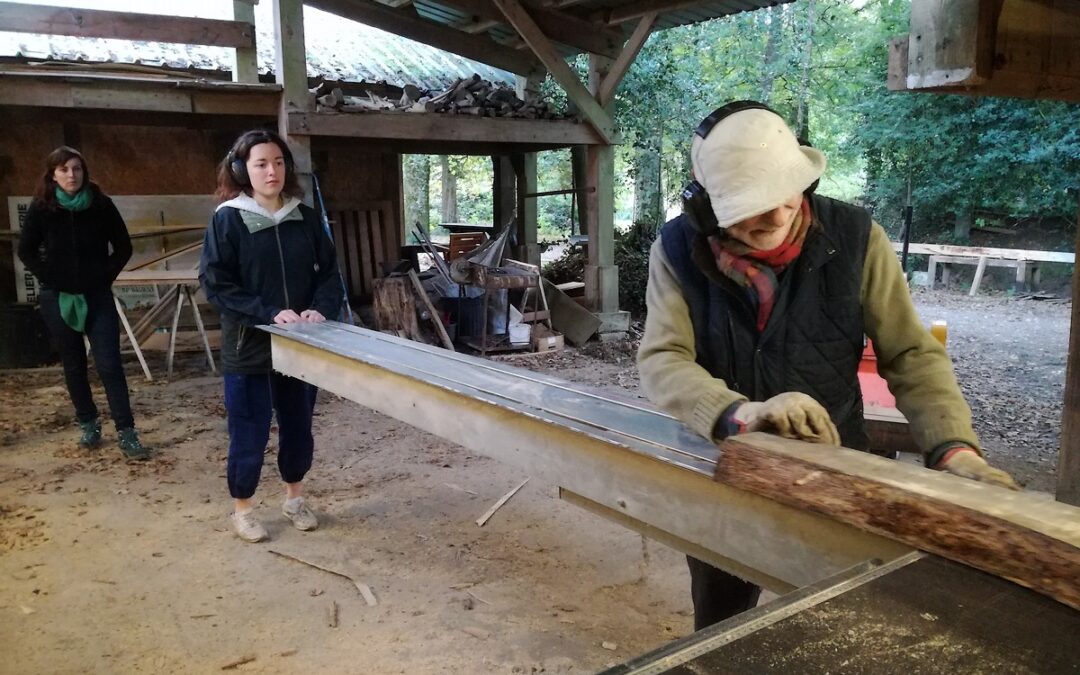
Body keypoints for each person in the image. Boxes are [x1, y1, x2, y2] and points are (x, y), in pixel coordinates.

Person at [637, 101, 1019, 630]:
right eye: (750, 206)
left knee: (846, 622)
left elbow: (912, 354)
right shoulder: (678, 250)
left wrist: (953, 449)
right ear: (707, 208)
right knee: (721, 626)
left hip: (841, 467)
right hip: (729, 466)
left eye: (782, 197)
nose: (774, 217)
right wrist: (740, 413)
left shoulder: (858, 239)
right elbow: (663, 358)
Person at [199, 129, 343, 543]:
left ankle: (294, 499)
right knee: (250, 430)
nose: (272, 171)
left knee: (298, 426)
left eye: (278, 162)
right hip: (249, 346)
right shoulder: (228, 218)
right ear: (242, 169)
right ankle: (243, 508)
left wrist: (321, 307)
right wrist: (266, 313)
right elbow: (217, 284)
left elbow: (330, 274)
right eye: (261, 163)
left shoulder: (304, 216)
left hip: (301, 344)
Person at [17, 146, 148, 460]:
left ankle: (127, 432)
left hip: (97, 296)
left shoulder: (101, 205)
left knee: (109, 364)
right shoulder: (42, 208)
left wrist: (103, 276)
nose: (71, 175)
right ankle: (88, 424)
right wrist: (51, 277)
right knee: (74, 365)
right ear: (53, 175)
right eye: (63, 170)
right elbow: (26, 250)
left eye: (76, 168)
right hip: (57, 297)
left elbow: (124, 247)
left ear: (84, 171)